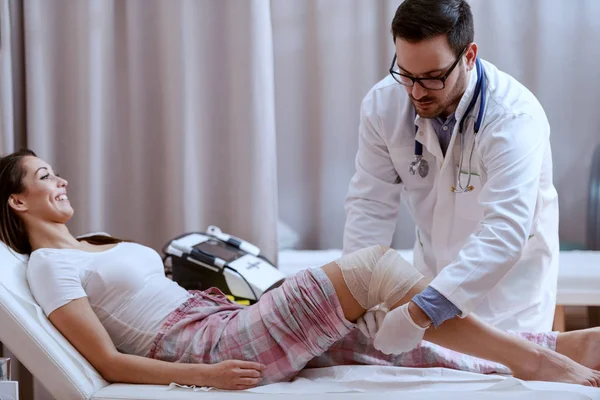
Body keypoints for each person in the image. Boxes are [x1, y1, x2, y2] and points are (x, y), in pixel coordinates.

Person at [1, 149, 599, 391]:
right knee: (372, 270)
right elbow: (104, 362)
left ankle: (569, 345)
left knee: (394, 341)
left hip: (226, 319)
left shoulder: (91, 243)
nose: (61, 180)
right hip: (206, 347)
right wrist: (204, 381)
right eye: (45, 176)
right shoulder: (51, 266)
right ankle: (539, 361)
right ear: (16, 201)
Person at [343, 0, 559, 346]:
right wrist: (360, 289)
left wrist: (421, 311)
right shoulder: (383, 107)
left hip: (508, 301)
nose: (416, 92)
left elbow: (505, 229)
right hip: (429, 280)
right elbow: (370, 206)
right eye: (406, 74)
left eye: (432, 78)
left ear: (469, 56)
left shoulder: (514, 118)